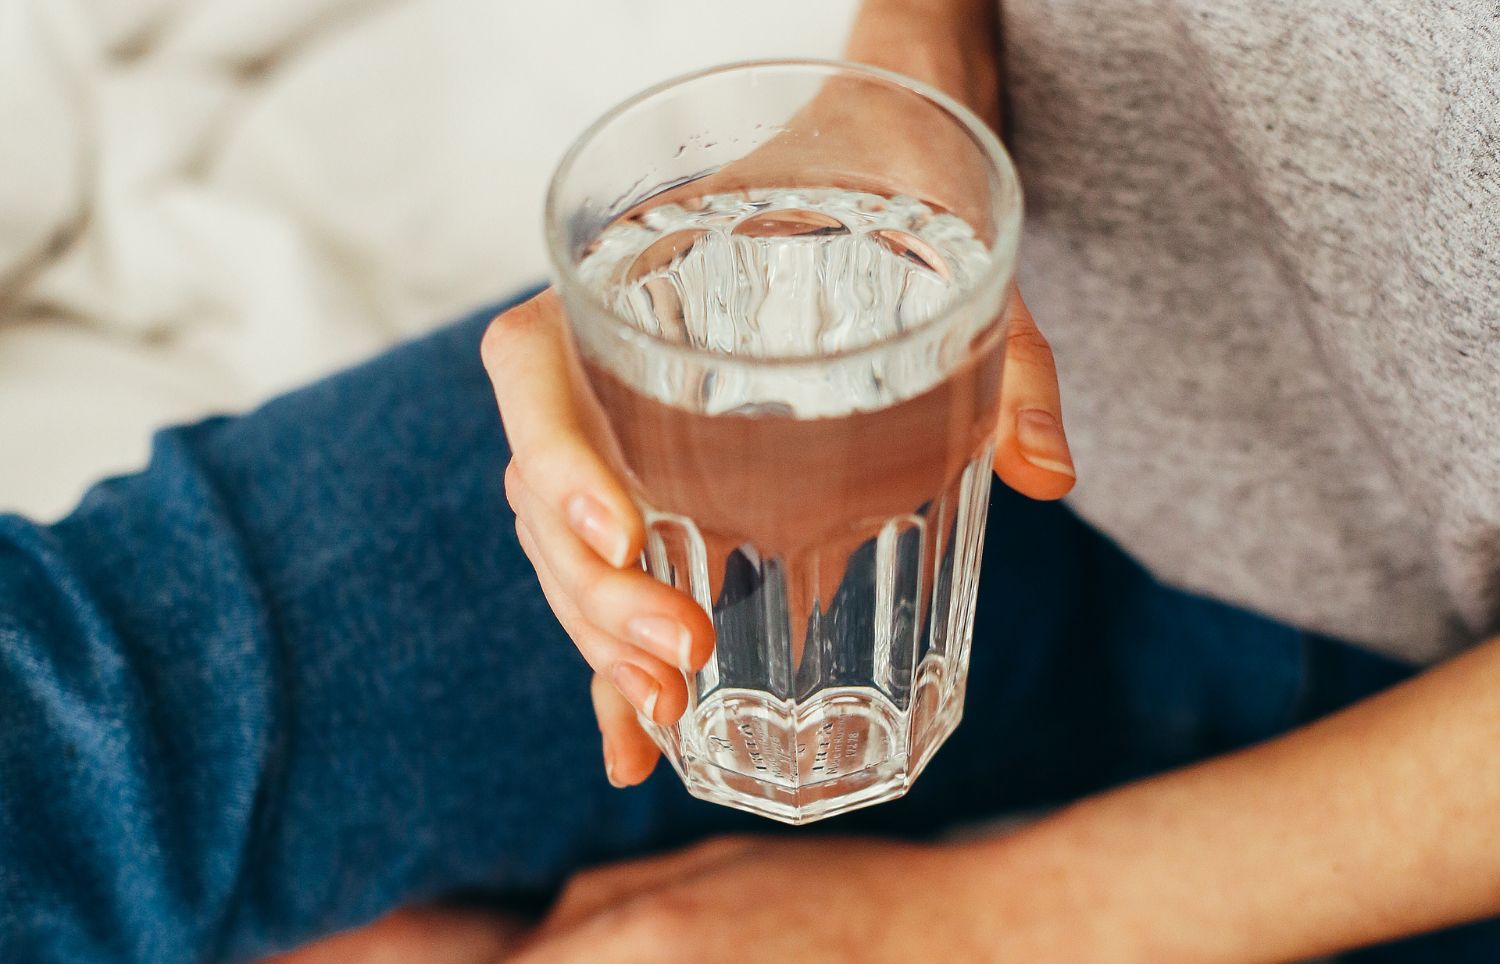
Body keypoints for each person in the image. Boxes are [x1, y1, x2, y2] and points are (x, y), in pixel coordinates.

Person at [2, 0, 1496, 960]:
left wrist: (982, 928)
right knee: (66, 731)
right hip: (978, 366)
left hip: (1428, 778)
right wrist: (912, 74)